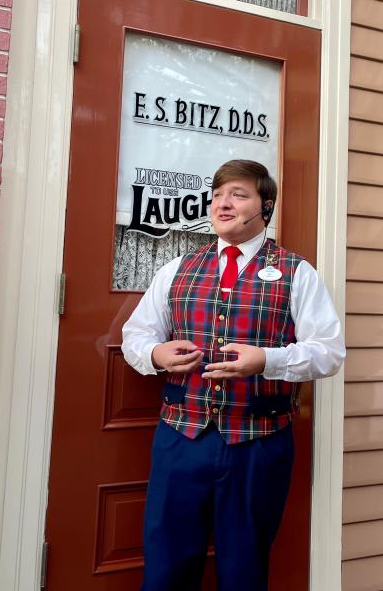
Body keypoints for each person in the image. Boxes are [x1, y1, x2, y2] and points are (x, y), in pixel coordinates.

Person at [121, 159, 345, 591]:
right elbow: (137, 334)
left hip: (258, 443)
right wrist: (155, 352)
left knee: (244, 570)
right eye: (218, 195)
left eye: (238, 194)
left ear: (266, 207)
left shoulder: (297, 273)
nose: (223, 203)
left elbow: (329, 353)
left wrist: (267, 359)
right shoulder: (176, 269)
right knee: (167, 566)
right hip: (180, 438)